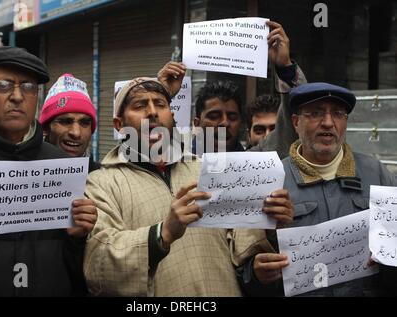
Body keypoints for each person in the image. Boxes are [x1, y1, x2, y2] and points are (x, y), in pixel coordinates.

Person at [83, 71, 294, 296]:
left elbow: (243, 252)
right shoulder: (102, 183)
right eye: (140, 105)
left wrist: (271, 227)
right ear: (119, 124)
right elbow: (98, 266)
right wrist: (161, 234)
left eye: (160, 104)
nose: (153, 112)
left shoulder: (208, 170)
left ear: (171, 115)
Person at [0, 46, 97, 296]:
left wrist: (78, 237)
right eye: (4, 85)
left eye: (28, 87)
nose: (17, 96)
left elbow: (79, 272)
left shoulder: (62, 165)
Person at [239, 82, 397, 296]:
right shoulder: (269, 181)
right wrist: (258, 274)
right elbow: (245, 270)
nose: (328, 123)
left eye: (338, 114)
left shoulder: (377, 174)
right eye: (315, 113)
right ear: (295, 122)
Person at [192, 21, 306, 158]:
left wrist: (285, 68)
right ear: (197, 125)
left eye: (232, 117)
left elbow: (290, 122)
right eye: (214, 116)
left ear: (240, 125)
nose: (224, 123)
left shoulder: (256, 161)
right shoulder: (174, 162)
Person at [39, 73, 99, 172]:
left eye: (84, 123)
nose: (76, 133)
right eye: (66, 122)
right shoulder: (22, 175)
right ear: (45, 128)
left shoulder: (104, 181)